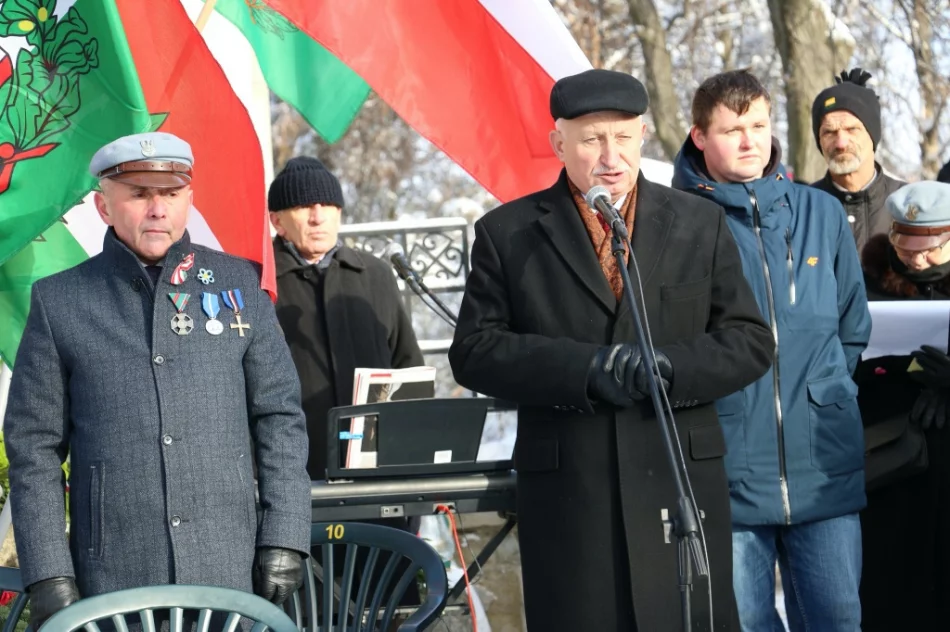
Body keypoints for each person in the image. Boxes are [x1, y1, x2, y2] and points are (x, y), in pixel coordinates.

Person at [449, 68, 775, 631]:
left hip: (678, 483)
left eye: (623, 137)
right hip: (572, 486)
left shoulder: (700, 222)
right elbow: (475, 350)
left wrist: (673, 366)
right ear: (559, 143)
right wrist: (585, 368)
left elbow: (748, 340)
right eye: (591, 139)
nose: (610, 155)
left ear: (643, 134)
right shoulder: (509, 233)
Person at [5, 132, 311, 630]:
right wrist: (48, 573)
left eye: (170, 194)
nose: (157, 209)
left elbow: (280, 419)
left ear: (188, 199)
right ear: (105, 206)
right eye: (139, 194)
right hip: (115, 574)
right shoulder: (59, 302)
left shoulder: (241, 287)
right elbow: (32, 448)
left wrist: (285, 535)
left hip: (230, 569)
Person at [672, 69, 871, 632]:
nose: (749, 140)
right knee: (745, 624)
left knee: (837, 620)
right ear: (699, 137)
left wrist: (825, 393)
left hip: (823, 465)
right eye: (732, 129)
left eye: (758, 124)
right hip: (729, 468)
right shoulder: (677, 224)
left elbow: (852, 325)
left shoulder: (820, 213)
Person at [267, 156, 424, 481]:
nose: (317, 217)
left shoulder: (375, 275)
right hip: (295, 477)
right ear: (277, 221)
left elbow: (407, 366)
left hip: (381, 472)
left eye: (327, 204)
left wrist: (413, 455)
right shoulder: (259, 284)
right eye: (303, 206)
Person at [857, 181, 950, 630]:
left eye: (930, 247)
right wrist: (909, 369)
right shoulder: (869, 281)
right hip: (891, 457)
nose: (916, 258)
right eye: (905, 244)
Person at [811, 68, 904, 253]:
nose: (840, 143)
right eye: (829, 132)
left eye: (852, 129)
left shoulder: (906, 202)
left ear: (872, 136)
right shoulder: (804, 207)